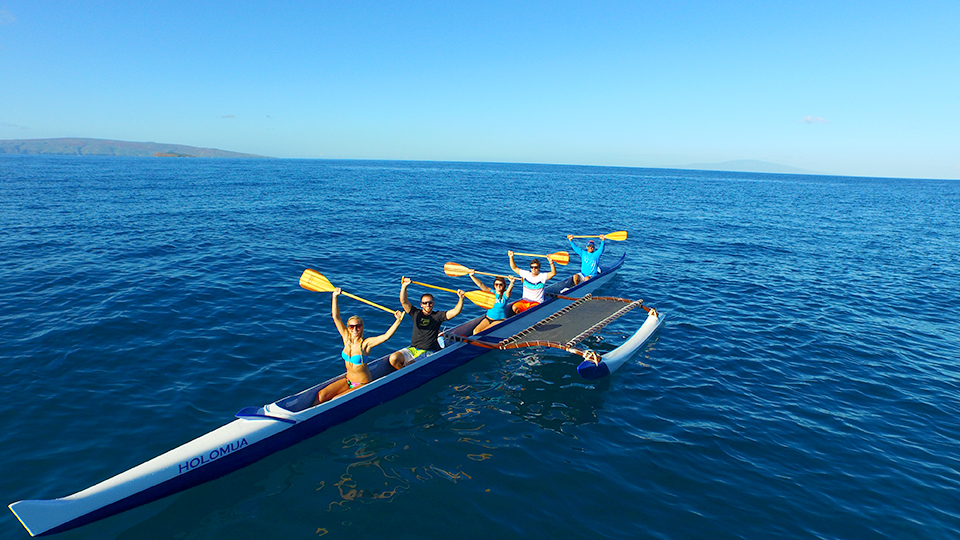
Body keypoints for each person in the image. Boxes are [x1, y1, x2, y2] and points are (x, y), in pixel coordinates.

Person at [315, 288, 404, 405]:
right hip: (348, 380)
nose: (355, 329)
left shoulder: (365, 344)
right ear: (348, 328)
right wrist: (335, 297)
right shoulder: (346, 337)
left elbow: (386, 336)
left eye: (358, 326)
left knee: (335, 400)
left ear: (362, 327)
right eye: (352, 326)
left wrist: (397, 321)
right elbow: (336, 317)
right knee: (321, 395)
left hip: (363, 384)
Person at [388, 277, 466, 370]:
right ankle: (405, 373)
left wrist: (461, 299)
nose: (427, 305)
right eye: (425, 303)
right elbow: (404, 301)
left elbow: (455, 311)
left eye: (430, 303)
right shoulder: (415, 313)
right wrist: (404, 286)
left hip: (429, 351)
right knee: (393, 359)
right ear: (421, 304)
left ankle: (406, 373)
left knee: (409, 366)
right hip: (413, 349)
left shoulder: (437, 316)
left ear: (433, 303)